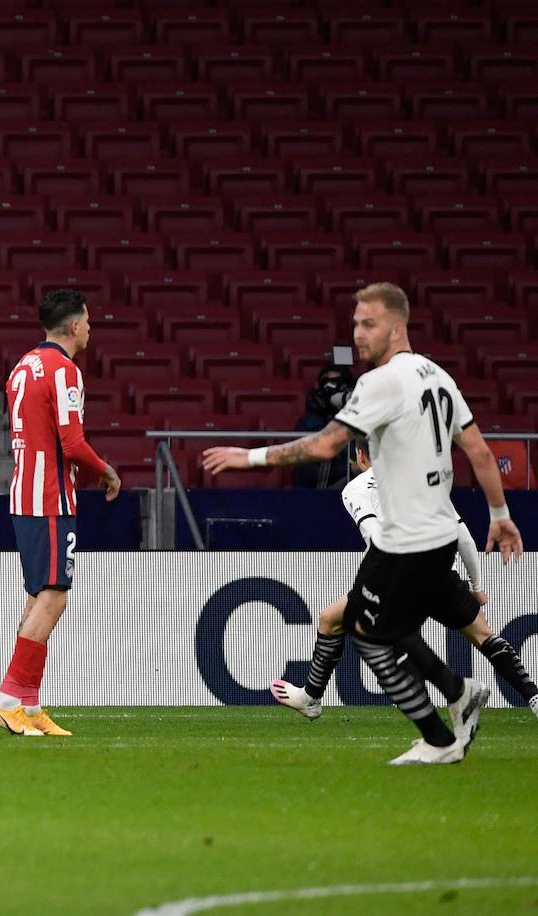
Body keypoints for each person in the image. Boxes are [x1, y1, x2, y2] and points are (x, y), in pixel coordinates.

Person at [204, 282, 523, 765]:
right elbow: (479, 450)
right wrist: (500, 516)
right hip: (438, 536)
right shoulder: (437, 375)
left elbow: (322, 447)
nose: (357, 333)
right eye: (355, 323)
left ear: (397, 326)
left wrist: (248, 456)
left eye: (368, 323)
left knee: (366, 631)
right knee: (382, 627)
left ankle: (443, 727)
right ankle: (456, 698)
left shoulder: (382, 383)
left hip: (405, 539)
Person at [272, 440, 537, 721]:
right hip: (437, 569)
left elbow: (375, 537)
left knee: (341, 624)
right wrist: (477, 588)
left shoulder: (356, 488)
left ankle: (314, 698)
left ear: (361, 456)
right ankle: (533, 696)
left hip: (395, 573)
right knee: (484, 635)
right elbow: (465, 539)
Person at [0, 288, 121, 738]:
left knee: (38, 595)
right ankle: (7, 698)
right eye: (88, 320)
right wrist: (106, 471)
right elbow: (72, 444)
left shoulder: (23, 365)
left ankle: (28, 703)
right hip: (48, 498)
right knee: (55, 595)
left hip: (23, 491)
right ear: (73, 326)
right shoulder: (66, 371)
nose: (90, 328)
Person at [291, 363, 356, 488]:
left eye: (337, 383)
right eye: (326, 383)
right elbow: (310, 475)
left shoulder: (360, 421)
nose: (330, 389)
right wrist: (352, 469)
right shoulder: (309, 423)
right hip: (319, 497)